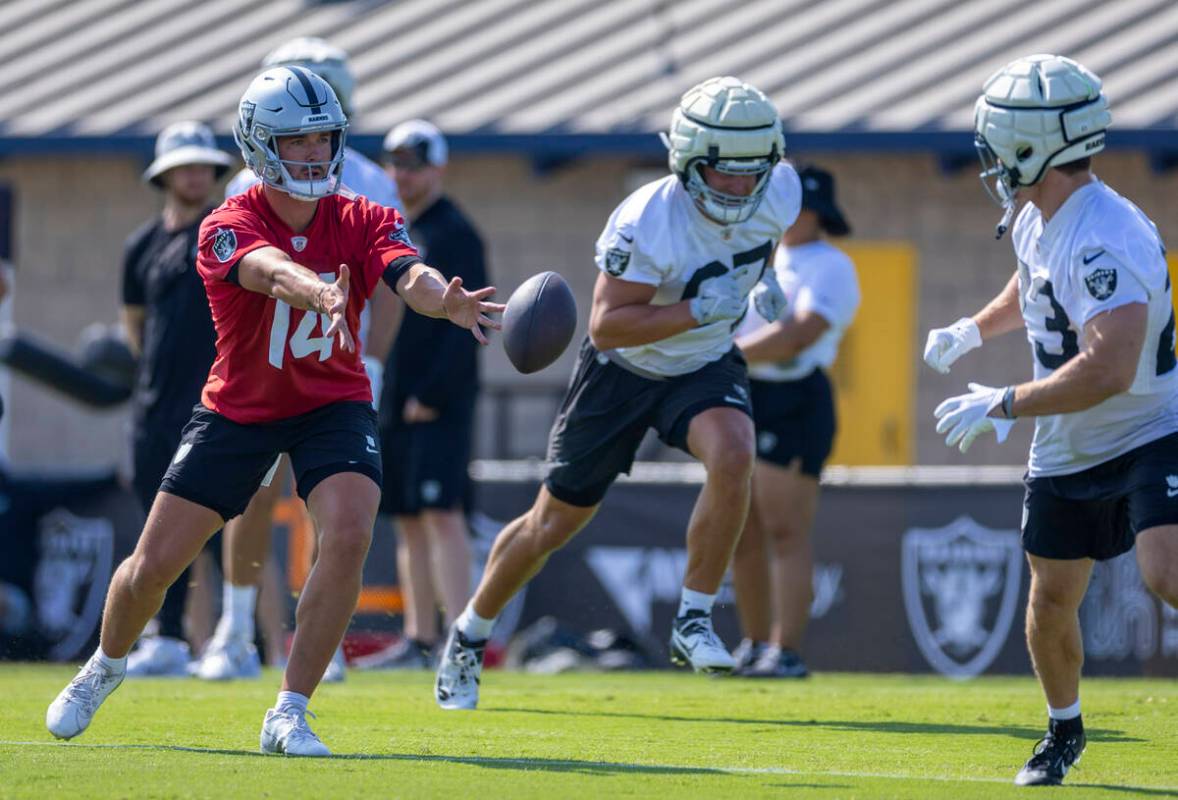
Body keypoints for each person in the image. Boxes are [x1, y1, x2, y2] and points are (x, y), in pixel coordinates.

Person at [46, 66, 502, 756]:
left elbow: (408, 274)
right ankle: (104, 666)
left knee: (349, 531)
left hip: (332, 401)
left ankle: (289, 710)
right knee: (153, 564)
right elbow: (265, 269)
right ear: (261, 145)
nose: (316, 152)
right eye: (298, 140)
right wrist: (315, 292)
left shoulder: (365, 213)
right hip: (241, 408)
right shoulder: (226, 223)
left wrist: (446, 301)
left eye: (324, 137)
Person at [433, 76, 801, 710]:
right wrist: (698, 308)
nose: (741, 187)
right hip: (622, 371)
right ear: (687, 163)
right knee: (552, 524)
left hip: (703, 363)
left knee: (735, 452)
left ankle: (694, 617)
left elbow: (749, 247)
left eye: (752, 172)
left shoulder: (783, 190)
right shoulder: (645, 219)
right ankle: (469, 633)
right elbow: (608, 323)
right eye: (724, 174)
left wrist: (755, 284)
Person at [925, 54, 1178, 786]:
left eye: (1000, 142)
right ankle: (1063, 730)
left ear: (1033, 146)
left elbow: (1109, 369)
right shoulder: (1044, 213)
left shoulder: (1107, 236)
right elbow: (1032, 280)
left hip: (1149, 425)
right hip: (1069, 444)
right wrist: (974, 329)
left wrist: (1004, 402)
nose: (992, 159)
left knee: (1165, 569)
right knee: (1050, 600)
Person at [193, 36, 403, 683]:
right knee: (250, 498)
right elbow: (236, 278)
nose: (310, 131)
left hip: (334, 369)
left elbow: (395, 276)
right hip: (261, 363)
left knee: (330, 506)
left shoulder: (366, 179)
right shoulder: (244, 184)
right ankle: (235, 626)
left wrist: (372, 360)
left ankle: (315, 640)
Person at [354, 120, 486, 670]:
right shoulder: (395, 226)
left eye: (414, 165)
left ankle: (460, 641)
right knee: (408, 516)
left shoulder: (454, 232)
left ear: (438, 168)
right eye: (396, 164)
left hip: (437, 403)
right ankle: (420, 637)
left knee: (441, 513)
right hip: (397, 395)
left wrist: (433, 392)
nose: (403, 176)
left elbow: (472, 317)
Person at [730, 165, 859, 678]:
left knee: (785, 528)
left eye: (797, 207)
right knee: (742, 528)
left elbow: (799, 334)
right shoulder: (764, 256)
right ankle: (753, 643)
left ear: (817, 213)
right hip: (750, 392)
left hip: (795, 398)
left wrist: (728, 356)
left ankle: (786, 650)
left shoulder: (831, 265)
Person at [119, 121, 232, 676]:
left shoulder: (224, 232)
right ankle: (167, 639)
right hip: (153, 407)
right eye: (184, 165)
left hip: (213, 404)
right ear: (164, 174)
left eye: (203, 165)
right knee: (157, 526)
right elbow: (135, 324)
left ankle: (229, 639)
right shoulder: (140, 245)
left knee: (212, 531)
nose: (195, 174)